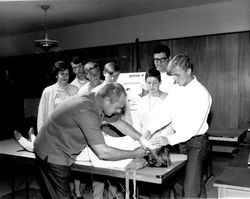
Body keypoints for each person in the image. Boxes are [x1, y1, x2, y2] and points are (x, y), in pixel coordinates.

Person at [33, 82, 147, 199]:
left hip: (61, 147)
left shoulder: (97, 100)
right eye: (118, 108)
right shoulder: (87, 111)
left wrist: (142, 139)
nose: (119, 111)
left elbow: (118, 122)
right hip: (51, 152)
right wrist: (134, 153)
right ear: (107, 100)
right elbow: (103, 152)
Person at [147, 54, 212, 198]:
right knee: (180, 184)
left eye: (177, 75)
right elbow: (166, 113)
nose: (174, 80)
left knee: (190, 190)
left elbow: (192, 128)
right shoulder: (175, 89)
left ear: (188, 72)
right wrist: (150, 129)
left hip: (196, 142)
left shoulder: (202, 94)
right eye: (172, 76)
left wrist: (168, 140)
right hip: (179, 142)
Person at [14, 61, 78, 151]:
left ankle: (31, 139)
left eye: (67, 74)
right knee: (48, 150)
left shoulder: (75, 90)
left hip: (70, 131)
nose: (65, 77)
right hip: (53, 131)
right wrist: (41, 134)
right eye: (62, 74)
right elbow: (41, 115)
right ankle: (29, 140)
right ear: (56, 75)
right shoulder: (48, 91)